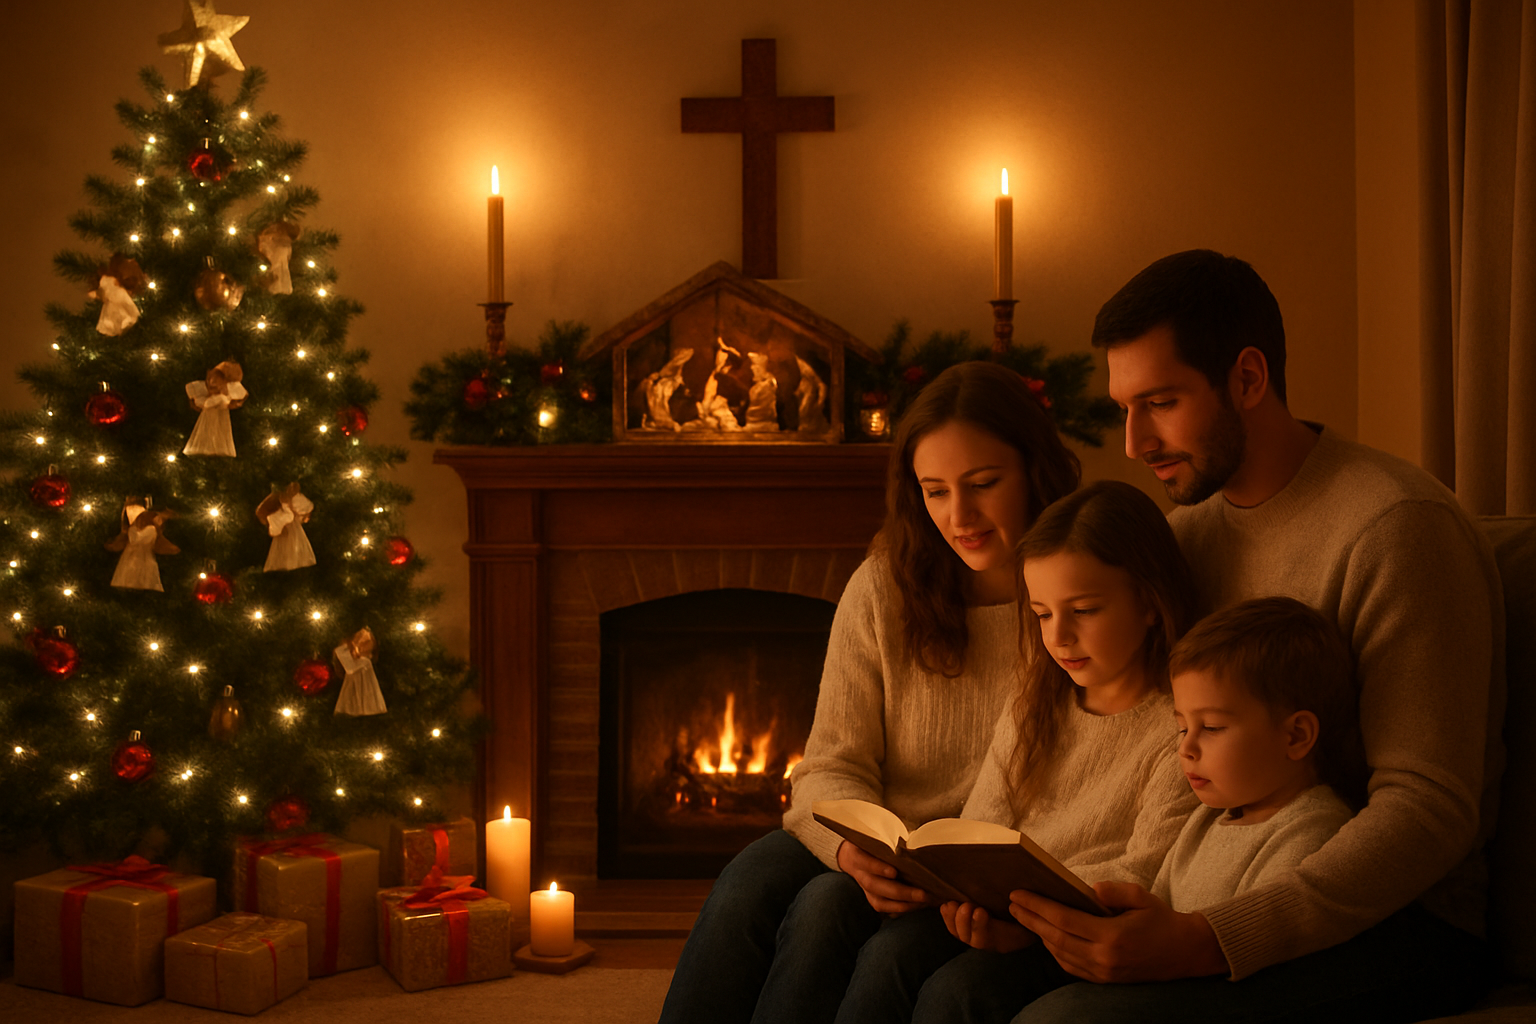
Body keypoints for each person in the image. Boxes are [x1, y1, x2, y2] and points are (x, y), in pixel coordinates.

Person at [1006, 249, 1505, 1023]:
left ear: (1247, 378)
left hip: (1405, 923)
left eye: (1162, 402)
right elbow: (1165, 740)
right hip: (1213, 875)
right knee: (954, 983)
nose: (1135, 442)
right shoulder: (1188, 534)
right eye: (1123, 408)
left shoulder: (1397, 529)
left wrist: (1212, 938)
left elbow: (1428, 809)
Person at [657, 361, 1081, 1024]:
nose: (958, 515)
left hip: (988, 865)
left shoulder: (1076, 599)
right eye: (934, 491)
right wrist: (850, 850)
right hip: (883, 836)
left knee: (823, 909)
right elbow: (831, 764)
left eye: (983, 484)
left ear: (1036, 471)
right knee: (748, 882)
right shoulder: (885, 587)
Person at [835, 480, 1202, 1024]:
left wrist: (1021, 915)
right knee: (890, 951)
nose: (1061, 637)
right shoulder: (1038, 698)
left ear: (1150, 602)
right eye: (1043, 614)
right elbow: (981, 823)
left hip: (1076, 930)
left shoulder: (1181, 724)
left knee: (959, 992)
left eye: (1084, 610)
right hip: (1007, 911)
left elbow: (1147, 867)